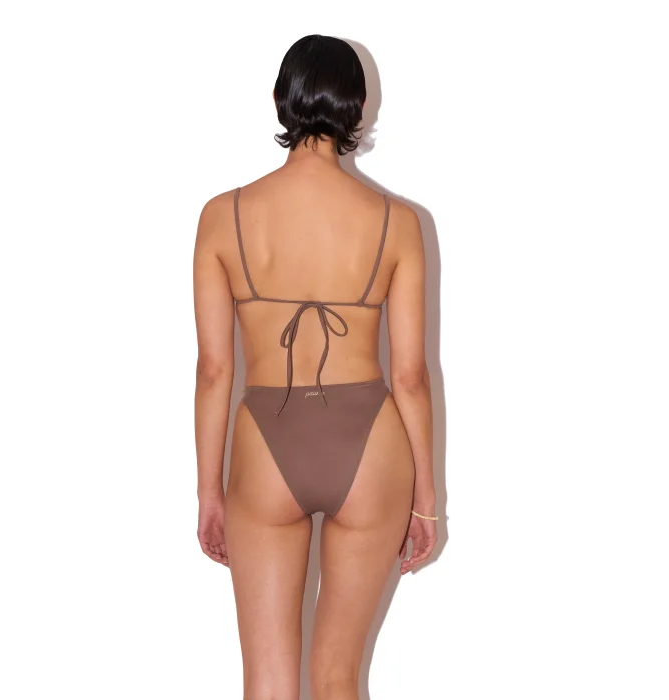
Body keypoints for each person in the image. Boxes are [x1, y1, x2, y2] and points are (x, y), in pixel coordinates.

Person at [193, 34, 437, 700]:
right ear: (356, 106)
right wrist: (426, 499)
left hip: (265, 445)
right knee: (337, 678)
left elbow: (214, 370)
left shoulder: (222, 217)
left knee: (268, 683)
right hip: (371, 444)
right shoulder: (397, 222)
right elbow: (411, 376)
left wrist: (210, 491)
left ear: (282, 98)